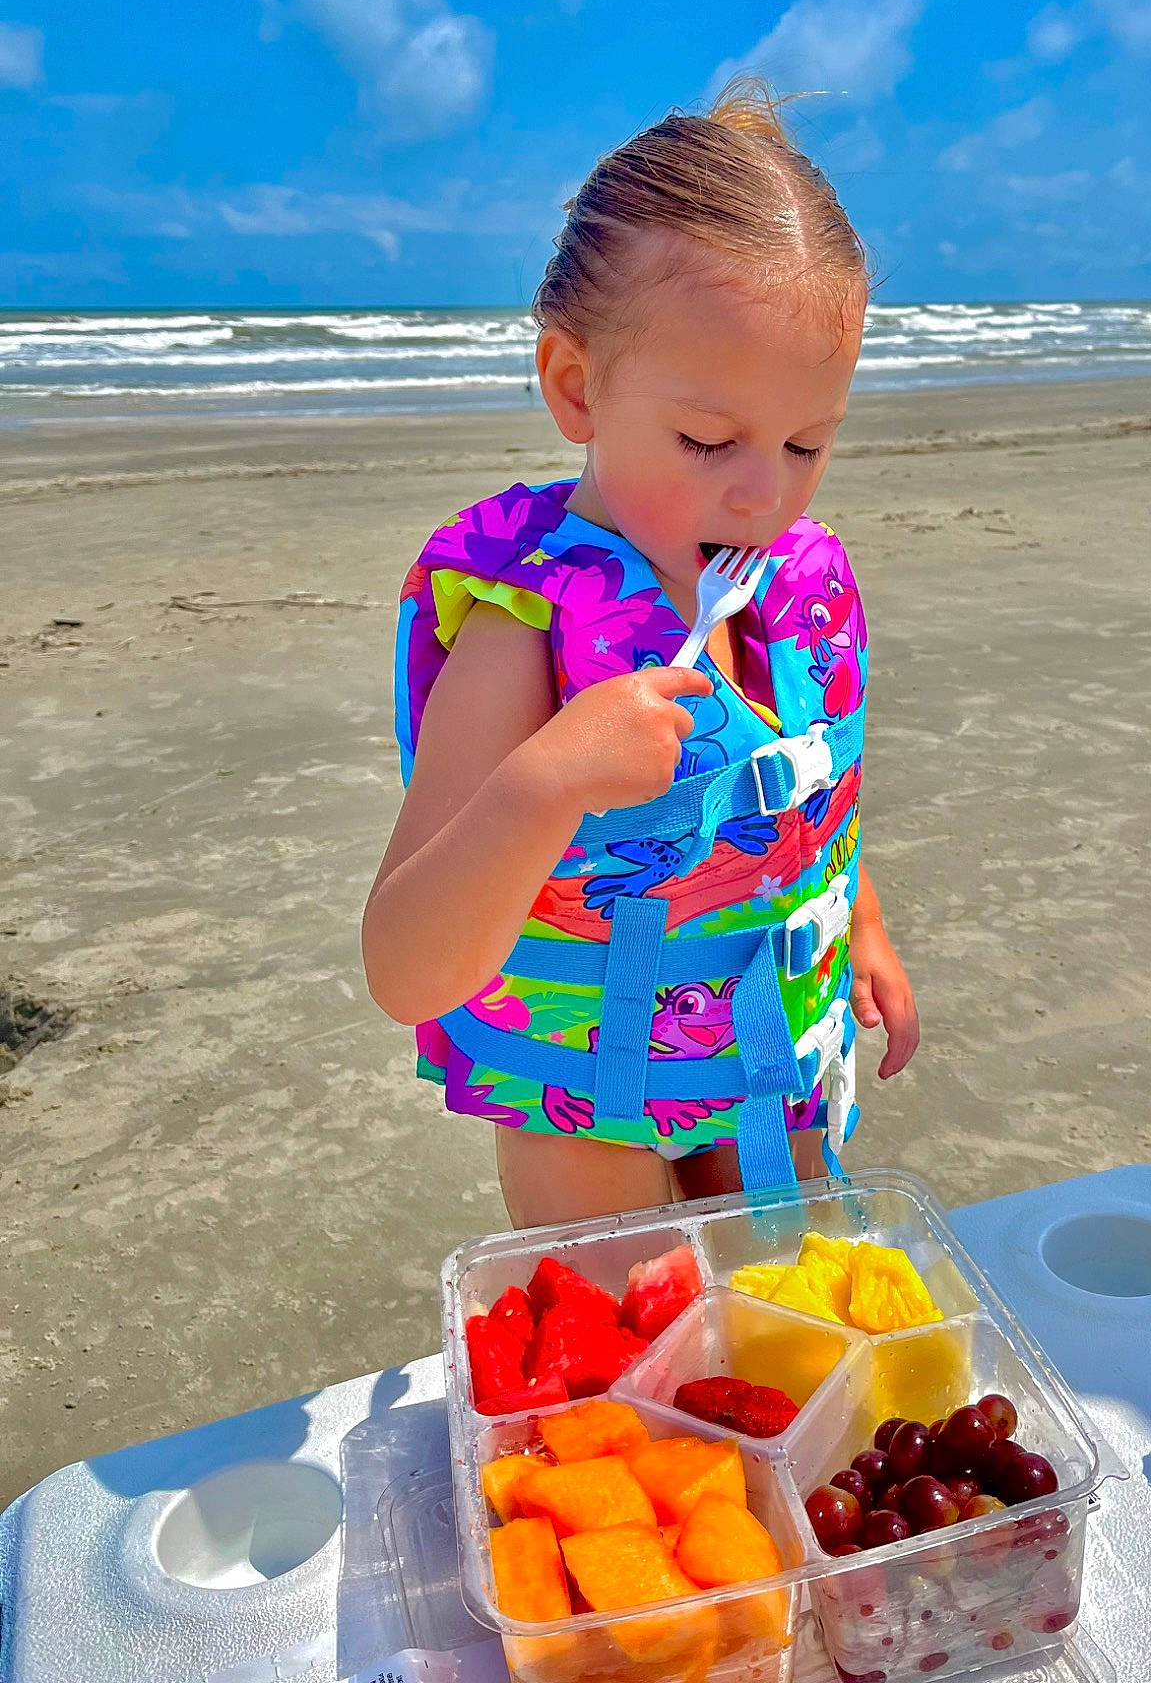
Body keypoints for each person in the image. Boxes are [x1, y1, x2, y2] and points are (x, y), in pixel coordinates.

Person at [362, 82, 918, 1232]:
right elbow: (405, 967)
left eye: (808, 440)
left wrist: (862, 923)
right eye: (709, 440)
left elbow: (809, 797)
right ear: (576, 385)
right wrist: (552, 774)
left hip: (771, 1039)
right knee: (633, 1348)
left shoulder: (782, 589)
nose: (764, 491)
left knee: (791, 1317)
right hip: (589, 1089)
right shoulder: (525, 629)